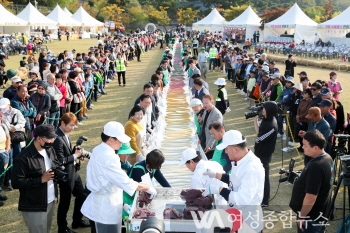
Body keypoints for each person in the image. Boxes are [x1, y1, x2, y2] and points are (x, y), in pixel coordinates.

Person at [81, 121, 156, 233]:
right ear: (111, 139)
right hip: (106, 208)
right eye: (120, 140)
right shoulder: (109, 158)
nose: (121, 143)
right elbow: (125, 182)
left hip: (104, 202)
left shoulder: (99, 149)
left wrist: (123, 204)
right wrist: (147, 188)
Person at [202, 130, 264, 232]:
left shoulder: (251, 168)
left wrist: (220, 190)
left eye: (226, 149)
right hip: (237, 215)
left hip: (248, 219)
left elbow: (242, 199)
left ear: (236, 149)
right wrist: (217, 175)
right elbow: (236, 179)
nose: (225, 152)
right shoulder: (240, 160)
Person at [12, 124, 58, 233]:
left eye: (53, 138)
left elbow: (55, 165)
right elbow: (16, 182)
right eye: (49, 138)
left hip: (50, 200)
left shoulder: (50, 150)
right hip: (34, 205)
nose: (52, 141)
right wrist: (40, 179)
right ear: (38, 138)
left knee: (46, 230)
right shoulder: (23, 158)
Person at [289, 130, 333, 233]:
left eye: (305, 145)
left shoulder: (316, 167)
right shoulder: (328, 158)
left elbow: (311, 198)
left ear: (315, 148)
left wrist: (302, 216)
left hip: (311, 218)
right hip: (319, 215)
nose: (302, 147)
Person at [52, 113, 90, 233]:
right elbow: (59, 161)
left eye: (74, 126)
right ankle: (62, 229)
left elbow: (66, 154)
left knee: (82, 195)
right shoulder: (57, 138)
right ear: (62, 123)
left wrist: (74, 152)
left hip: (73, 172)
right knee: (65, 202)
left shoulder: (65, 133)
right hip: (65, 175)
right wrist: (75, 156)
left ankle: (77, 220)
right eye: (71, 125)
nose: (72, 128)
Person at [123, 149, 170, 217]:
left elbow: (163, 181)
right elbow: (138, 190)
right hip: (129, 199)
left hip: (139, 195)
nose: (160, 167)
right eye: (159, 165)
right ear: (154, 163)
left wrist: (170, 194)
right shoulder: (138, 170)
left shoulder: (153, 168)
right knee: (129, 217)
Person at [253, 101, 278, 207]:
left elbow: (258, 138)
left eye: (264, 108)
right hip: (260, 151)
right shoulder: (266, 120)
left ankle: (265, 200)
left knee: (264, 177)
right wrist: (255, 120)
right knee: (258, 176)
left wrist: (256, 124)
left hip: (264, 154)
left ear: (270, 110)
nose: (262, 110)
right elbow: (258, 132)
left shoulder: (271, 125)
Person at [199, 95, 223, 159]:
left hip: (212, 146)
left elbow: (216, 132)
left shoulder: (217, 114)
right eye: (203, 103)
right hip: (205, 141)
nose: (204, 105)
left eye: (207, 103)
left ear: (212, 102)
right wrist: (200, 138)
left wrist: (209, 145)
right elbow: (204, 126)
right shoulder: (205, 111)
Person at [0, 113, 10, 206]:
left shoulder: (3, 126)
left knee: (2, 174)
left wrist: (7, 150)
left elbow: (8, 137)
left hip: (3, 153)